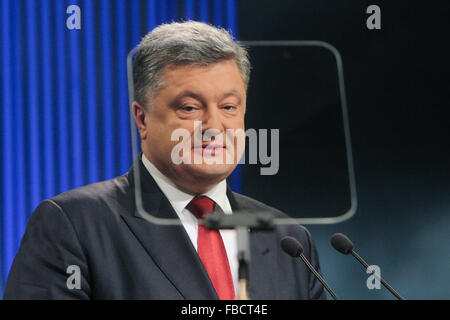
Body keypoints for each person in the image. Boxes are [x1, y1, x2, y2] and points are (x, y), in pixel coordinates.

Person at [4, 21, 326, 300]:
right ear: (142, 119)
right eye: (189, 107)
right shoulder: (74, 225)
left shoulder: (290, 241)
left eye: (228, 107)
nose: (214, 127)